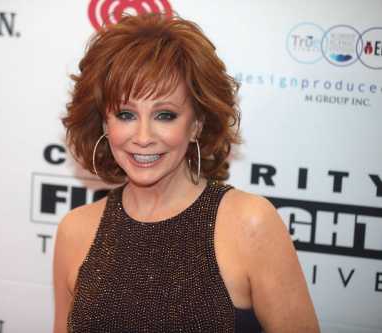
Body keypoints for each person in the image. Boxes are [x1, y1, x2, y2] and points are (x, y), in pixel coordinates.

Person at [53, 13, 320, 333]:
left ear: (196, 124)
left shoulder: (251, 223)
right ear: (104, 123)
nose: (142, 136)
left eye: (165, 115)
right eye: (126, 114)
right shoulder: (75, 231)